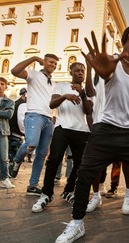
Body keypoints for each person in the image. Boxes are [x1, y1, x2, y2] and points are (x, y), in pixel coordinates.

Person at [54, 27, 129, 243]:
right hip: (104, 130)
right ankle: (77, 224)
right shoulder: (111, 63)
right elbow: (104, 75)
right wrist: (100, 69)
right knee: (84, 174)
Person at [31, 62, 92, 212]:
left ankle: (68, 191)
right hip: (62, 128)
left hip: (81, 130)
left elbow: (88, 110)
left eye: (82, 71)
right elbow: (52, 104)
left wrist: (82, 94)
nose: (80, 73)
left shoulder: (88, 90)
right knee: (54, 160)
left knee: (80, 163)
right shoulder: (61, 86)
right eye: (77, 70)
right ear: (70, 72)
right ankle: (46, 194)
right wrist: (65, 96)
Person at [9, 54, 58, 196]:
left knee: (42, 154)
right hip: (34, 115)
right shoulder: (33, 74)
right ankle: (16, 161)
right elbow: (14, 71)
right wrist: (34, 58)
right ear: (44, 62)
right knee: (31, 143)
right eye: (50, 62)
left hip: (49, 119)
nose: (53, 65)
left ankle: (32, 185)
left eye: (55, 63)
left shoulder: (53, 83)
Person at [0, 88, 27, 177]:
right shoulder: (21, 105)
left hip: (10, 131)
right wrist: (24, 132)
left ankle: (2, 169)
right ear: (24, 95)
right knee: (12, 153)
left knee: (9, 152)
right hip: (15, 132)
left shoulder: (15, 103)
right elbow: (21, 121)